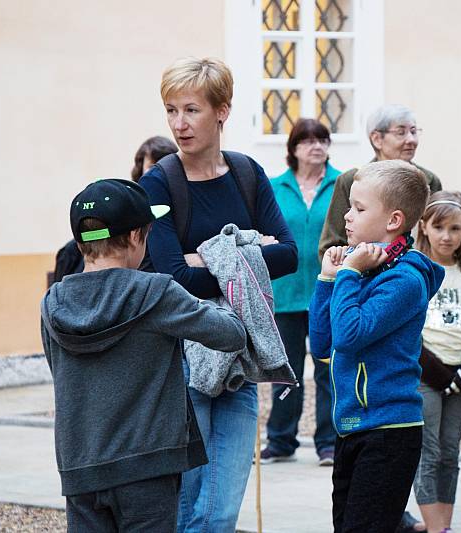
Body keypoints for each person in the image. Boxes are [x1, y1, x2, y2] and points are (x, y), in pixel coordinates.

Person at [139, 57, 297, 531]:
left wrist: (204, 257)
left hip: (238, 354)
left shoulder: (247, 173)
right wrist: (245, 250)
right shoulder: (159, 183)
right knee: (189, 507)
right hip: (183, 359)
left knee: (223, 511)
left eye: (191, 110)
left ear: (222, 111)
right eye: (171, 110)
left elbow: (289, 255)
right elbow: (173, 278)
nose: (179, 124)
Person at [40, 178, 246, 532]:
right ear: (137, 236)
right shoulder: (156, 292)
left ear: (80, 242)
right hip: (147, 468)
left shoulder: (53, 303)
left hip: (80, 468)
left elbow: (61, 373)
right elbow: (232, 335)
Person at [309, 160, 445, 533]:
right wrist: (327, 279)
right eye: (349, 206)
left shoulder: (406, 280)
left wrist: (349, 274)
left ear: (393, 220)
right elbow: (323, 344)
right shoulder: (362, 270)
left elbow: (351, 334)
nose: (347, 217)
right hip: (351, 427)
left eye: (359, 208)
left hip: (389, 432)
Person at [411, 190, 461, 533]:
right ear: (424, 227)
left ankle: (444, 524)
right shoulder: (413, 269)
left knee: (450, 452)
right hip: (426, 374)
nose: (447, 236)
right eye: (439, 227)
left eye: (455, 228)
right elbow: (407, 329)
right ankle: (434, 528)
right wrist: (440, 373)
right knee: (428, 452)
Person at [262, 118, 340, 466]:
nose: (316, 146)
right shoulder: (274, 187)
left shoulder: (343, 184)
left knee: (328, 369)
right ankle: (280, 440)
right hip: (286, 292)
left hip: (330, 291)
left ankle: (329, 442)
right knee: (286, 370)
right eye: (308, 141)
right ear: (293, 149)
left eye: (322, 140)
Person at [318, 104, 442, 258]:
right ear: (377, 139)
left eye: (413, 131)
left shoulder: (428, 181)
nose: (411, 139)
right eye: (401, 132)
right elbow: (331, 246)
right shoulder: (352, 180)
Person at [52, 135, 178, 283]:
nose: (159, 175)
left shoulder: (53, 298)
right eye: (153, 167)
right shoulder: (155, 287)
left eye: (166, 168)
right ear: (135, 236)